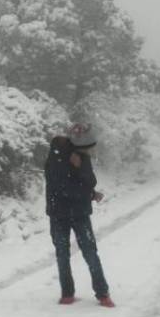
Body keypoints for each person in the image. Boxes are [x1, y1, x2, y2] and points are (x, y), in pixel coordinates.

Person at [44, 123, 113, 307]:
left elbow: (90, 180)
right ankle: (67, 294)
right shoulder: (56, 156)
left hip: (80, 212)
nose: (89, 151)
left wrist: (82, 168)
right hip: (59, 213)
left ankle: (102, 293)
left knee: (90, 252)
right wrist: (88, 193)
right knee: (62, 253)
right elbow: (61, 188)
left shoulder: (81, 155)